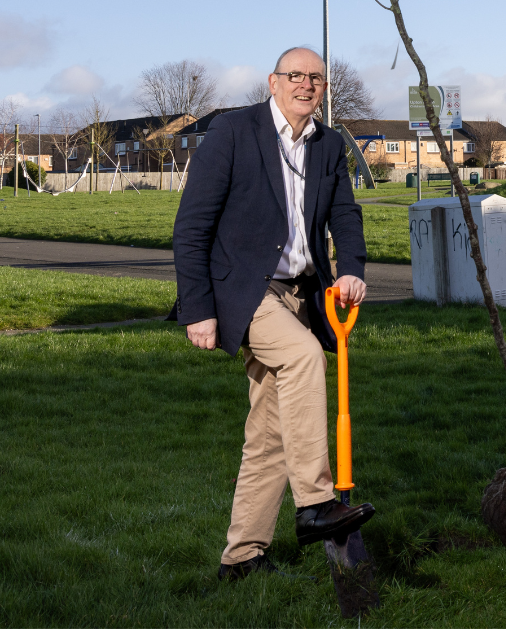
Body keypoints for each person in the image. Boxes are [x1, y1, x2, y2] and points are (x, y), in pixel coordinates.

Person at [172, 46, 374, 581]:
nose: (305, 85)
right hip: (242, 289)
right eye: (295, 76)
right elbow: (191, 227)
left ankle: (241, 558)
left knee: (269, 433)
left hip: (301, 293)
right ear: (273, 81)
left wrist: (350, 266)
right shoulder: (234, 133)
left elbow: (345, 216)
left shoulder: (329, 145)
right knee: (305, 357)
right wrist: (197, 309)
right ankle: (315, 503)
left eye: (316, 78)